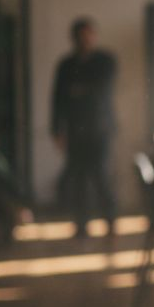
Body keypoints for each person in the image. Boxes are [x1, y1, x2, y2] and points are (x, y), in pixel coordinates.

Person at [51, 17, 117, 239]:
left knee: (101, 176)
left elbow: (101, 89)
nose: (86, 39)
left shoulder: (105, 61)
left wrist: (79, 91)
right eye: (82, 35)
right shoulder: (66, 65)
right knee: (79, 179)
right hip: (75, 130)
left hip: (100, 130)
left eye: (89, 34)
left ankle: (110, 221)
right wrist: (56, 130)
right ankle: (82, 225)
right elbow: (58, 99)